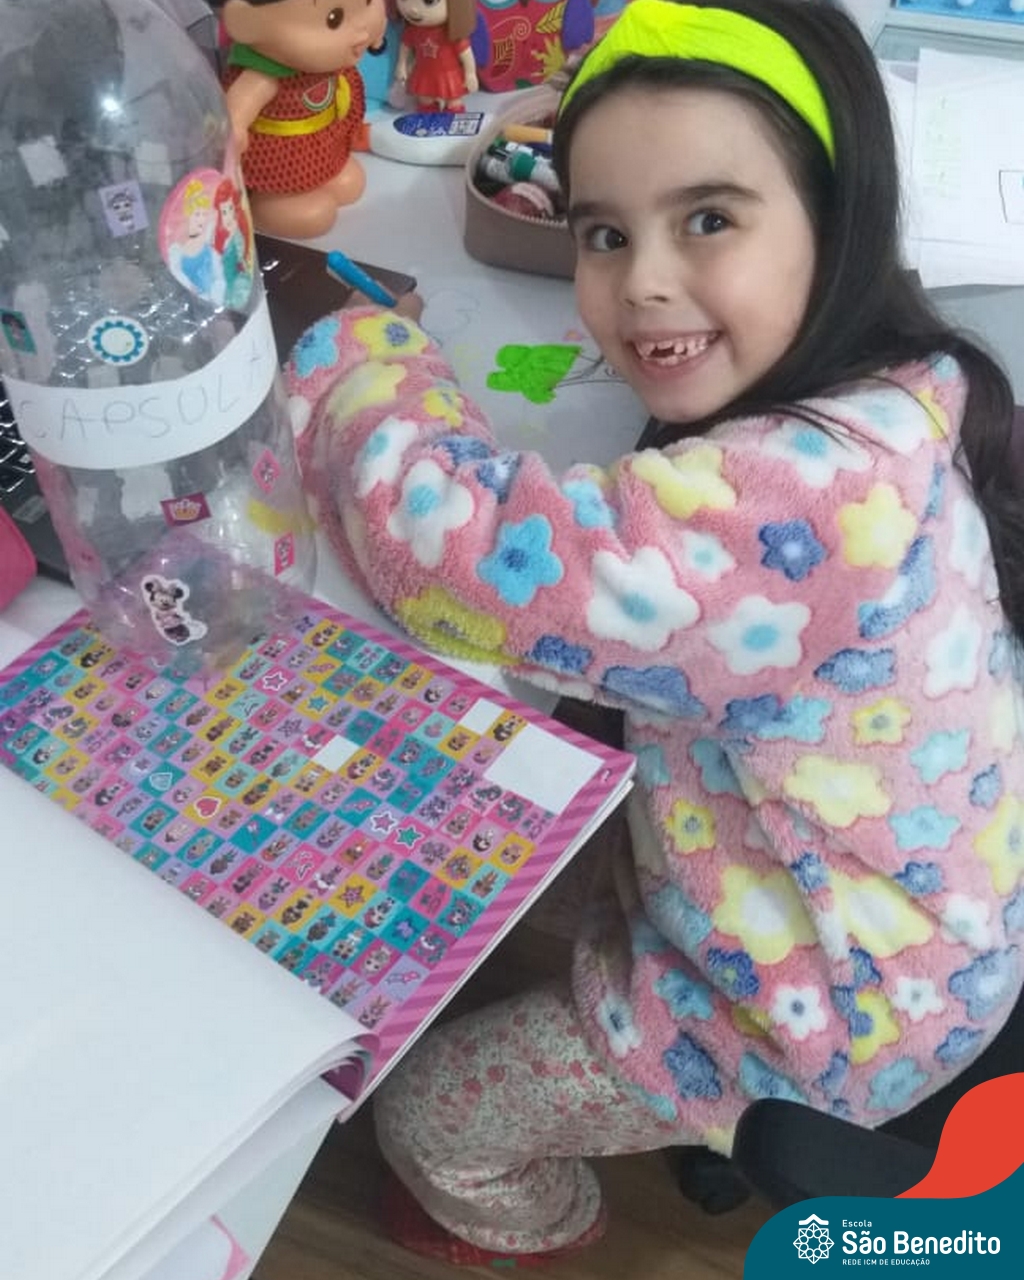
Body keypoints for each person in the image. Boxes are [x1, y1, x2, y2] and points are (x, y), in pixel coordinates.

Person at [284, 0, 1024, 1264]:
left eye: (709, 219)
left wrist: (361, 349)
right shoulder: (904, 384)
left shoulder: (798, 498)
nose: (641, 283)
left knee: (424, 1113)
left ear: (835, 220)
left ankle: (541, 1227)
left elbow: (449, 557)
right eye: (605, 233)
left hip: (828, 1017)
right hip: (909, 910)